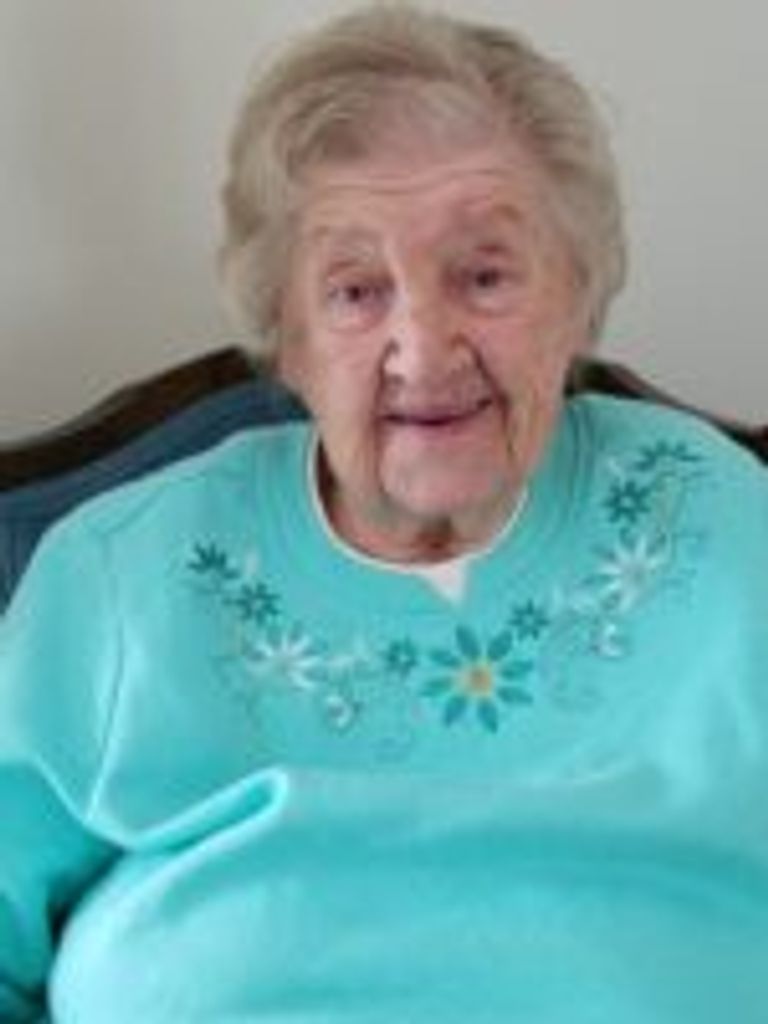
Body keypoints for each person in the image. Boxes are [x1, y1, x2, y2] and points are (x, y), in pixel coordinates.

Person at [2, 5, 767, 1022]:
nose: (424, 347)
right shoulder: (122, 574)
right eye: (357, 291)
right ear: (286, 336)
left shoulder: (722, 520)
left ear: (580, 295)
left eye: (484, 275)